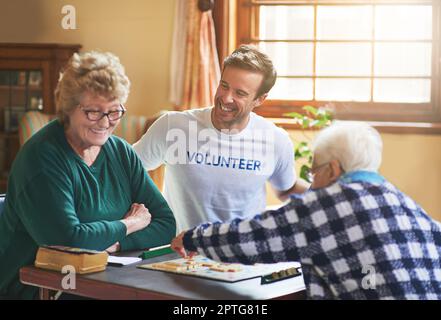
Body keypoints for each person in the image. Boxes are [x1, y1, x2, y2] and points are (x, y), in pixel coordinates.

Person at [171, 121, 441, 300]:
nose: (313, 182)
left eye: (314, 172)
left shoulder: (328, 203)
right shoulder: (406, 204)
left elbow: (253, 238)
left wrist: (193, 237)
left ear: (333, 170)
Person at [0, 51, 176, 299]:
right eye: (94, 111)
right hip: (37, 288)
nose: (105, 122)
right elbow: (69, 241)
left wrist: (112, 243)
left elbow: (166, 223)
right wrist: (129, 224)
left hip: (107, 277)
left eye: (114, 111)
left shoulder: (121, 153)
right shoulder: (41, 158)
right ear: (69, 108)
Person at [133, 45, 309, 232]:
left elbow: (287, 190)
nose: (226, 98)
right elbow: (123, 171)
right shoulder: (173, 126)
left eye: (240, 93)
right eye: (224, 85)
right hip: (180, 253)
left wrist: (333, 197)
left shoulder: (276, 140)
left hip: (242, 253)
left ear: (260, 99)